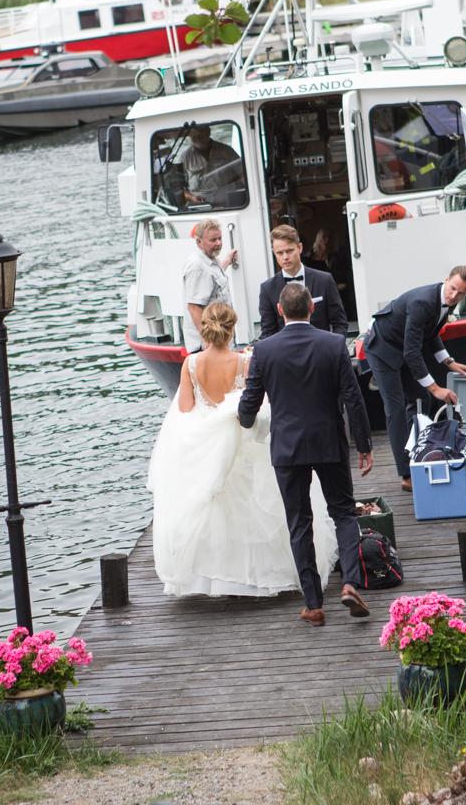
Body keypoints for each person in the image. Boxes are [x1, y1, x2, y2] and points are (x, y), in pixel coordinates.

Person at [147, 302, 338, 597]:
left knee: (214, 510)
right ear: (232, 327)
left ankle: (215, 578)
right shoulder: (243, 362)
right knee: (254, 505)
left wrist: (209, 417)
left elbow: (185, 408)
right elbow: (254, 405)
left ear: (204, 327)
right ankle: (259, 577)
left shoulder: (191, 364)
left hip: (208, 445)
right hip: (242, 442)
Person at [238, 283, 374, 627]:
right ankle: (350, 583)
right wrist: (364, 445)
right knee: (343, 514)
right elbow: (353, 398)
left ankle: (313, 604)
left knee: (299, 523)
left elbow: (251, 401)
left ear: (280, 312)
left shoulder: (264, 350)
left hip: (287, 447)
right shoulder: (332, 344)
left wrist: (244, 419)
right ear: (312, 310)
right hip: (328, 441)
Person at [364, 266, 466, 491]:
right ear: (446, 280)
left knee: (419, 399)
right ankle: (406, 475)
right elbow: (412, 353)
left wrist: (449, 362)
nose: (454, 295)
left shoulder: (448, 300)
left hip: (404, 348)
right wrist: (436, 388)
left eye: (461, 293)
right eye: (453, 288)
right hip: (382, 349)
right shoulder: (422, 303)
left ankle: (415, 452)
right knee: (394, 409)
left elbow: (431, 332)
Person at [259, 224, 348, 339]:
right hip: (285, 354)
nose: (285, 257)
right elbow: (268, 332)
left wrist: (333, 348)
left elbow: (339, 322)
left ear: (300, 248)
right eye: (280, 253)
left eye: (289, 251)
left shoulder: (324, 280)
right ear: (274, 253)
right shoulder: (268, 288)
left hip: (321, 351)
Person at [182, 218, 237, 353]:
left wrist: (226, 262)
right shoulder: (197, 266)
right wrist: (208, 339)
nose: (218, 243)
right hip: (208, 346)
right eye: (213, 240)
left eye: (220, 238)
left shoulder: (210, 259)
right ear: (199, 242)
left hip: (220, 340)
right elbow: (194, 307)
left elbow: (211, 281)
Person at [178, 124, 244, 209]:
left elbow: (243, 173)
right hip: (200, 205)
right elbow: (180, 189)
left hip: (229, 202)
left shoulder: (226, 150)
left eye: (200, 134)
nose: (197, 138)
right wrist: (191, 198)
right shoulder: (185, 157)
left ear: (208, 132)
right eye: (193, 135)